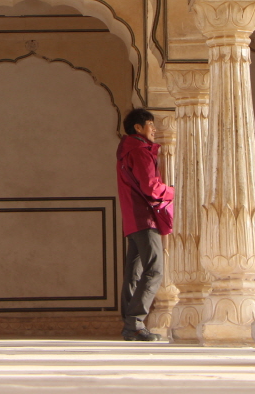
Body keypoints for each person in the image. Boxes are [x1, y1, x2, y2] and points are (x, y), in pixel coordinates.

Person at [116, 108, 173, 342]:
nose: (155, 129)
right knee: (155, 269)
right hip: (144, 218)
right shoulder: (139, 151)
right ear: (138, 128)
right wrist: (172, 191)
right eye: (151, 124)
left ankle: (130, 322)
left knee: (134, 271)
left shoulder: (127, 150)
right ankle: (135, 323)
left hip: (132, 218)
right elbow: (150, 187)